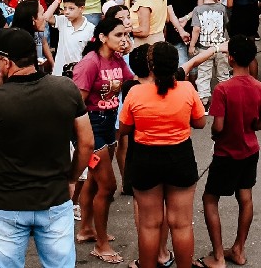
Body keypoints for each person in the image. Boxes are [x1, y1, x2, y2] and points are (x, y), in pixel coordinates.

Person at [0, 28, 94, 268]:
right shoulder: (66, 88)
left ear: (6, 62)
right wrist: (71, 178)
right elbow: (87, 142)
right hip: (55, 198)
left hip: (8, 203)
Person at [119, 42, 206, 268]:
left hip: (145, 158)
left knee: (149, 224)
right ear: (175, 65)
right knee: (182, 224)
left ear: (150, 66)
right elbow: (200, 122)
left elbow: (125, 128)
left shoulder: (135, 92)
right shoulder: (187, 89)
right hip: (180, 156)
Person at [72, 16, 133, 264]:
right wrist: (82, 138)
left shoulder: (117, 60)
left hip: (109, 124)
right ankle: (101, 244)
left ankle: (86, 229)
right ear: (102, 37)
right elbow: (76, 104)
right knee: (107, 186)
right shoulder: (90, 63)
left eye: (125, 34)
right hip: (92, 125)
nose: (123, 39)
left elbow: (132, 81)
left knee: (93, 182)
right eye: (119, 35)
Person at [197, 36, 261, 268]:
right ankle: (239, 249)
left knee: (210, 198)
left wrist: (215, 135)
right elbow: (258, 124)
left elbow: (218, 126)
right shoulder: (258, 87)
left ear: (230, 58)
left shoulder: (222, 89)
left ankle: (218, 256)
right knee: (245, 197)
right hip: (250, 150)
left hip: (226, 153)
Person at [189, 0, 230, 110]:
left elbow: (196, 29)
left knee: (204, 76)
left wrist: (192, 45)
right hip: (220, 46)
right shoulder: (222, 8)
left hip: (204, 49)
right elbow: (225, 25)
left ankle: (204, 102)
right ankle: (226, 100)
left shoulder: (197, 10)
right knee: (223, 74)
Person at [50, 0, 94, 77]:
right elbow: (46, 17)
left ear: (81, 9)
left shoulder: (90, 28)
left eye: (71, 8)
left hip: (80, 73)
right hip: (60, 73)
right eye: (65, 8)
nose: (66, 12)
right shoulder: (62, 21)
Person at [11, 0, 55, 68]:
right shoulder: (19, 42)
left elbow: (44, 43)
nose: (45, 18)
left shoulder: (36, 32)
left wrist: (53, 66)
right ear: (33, 19)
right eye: (42, 14)